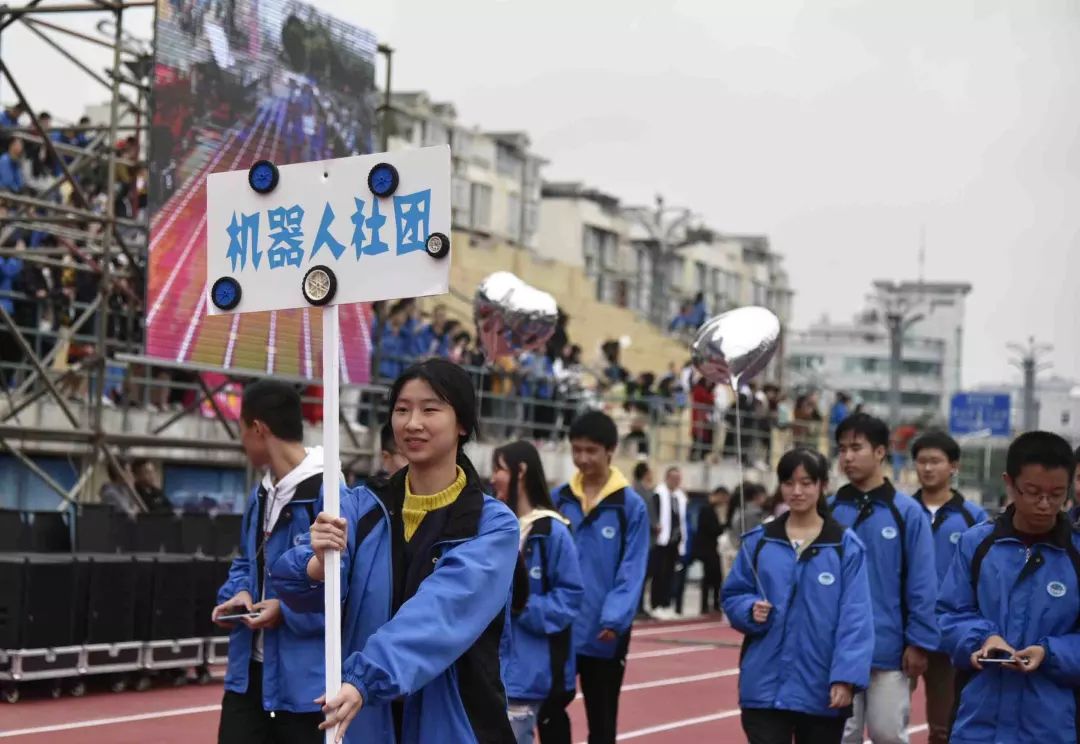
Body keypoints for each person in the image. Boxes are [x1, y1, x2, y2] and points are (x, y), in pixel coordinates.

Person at [271, 359, 520, 743]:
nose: (412, 423)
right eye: (402, 409)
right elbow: (290, 583)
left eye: (430, 409)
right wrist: (317, 565)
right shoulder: (358, 505)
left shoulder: (491, 524)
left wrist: (364, 677)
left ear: (463, 424)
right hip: (370, 722)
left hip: (456, 724)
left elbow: (442, 612)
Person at [211, 380, 341, 744]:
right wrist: (238, 593)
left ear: (258, 428)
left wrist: (286, 610)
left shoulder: (329, 493)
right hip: (248, 674)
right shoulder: (262, 492)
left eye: (242, 430)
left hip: (304, 685)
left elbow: (343, 586)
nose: (241, 441)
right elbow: (245, 560)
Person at [938, 431, 1080, 744]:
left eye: (1057, 494)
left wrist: (1050, 652)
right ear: (1009, 482)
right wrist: (983, 638)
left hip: (1051, 725)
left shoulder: (1075, 553)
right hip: (978, 720)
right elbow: (951, 614)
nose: (1045, 504)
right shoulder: (977, 544)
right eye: (1032, 492)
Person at [724, 448, 873, 744]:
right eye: (789, 483)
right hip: (764, 688)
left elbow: (856, 618)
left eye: (806, 483)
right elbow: (733, 594)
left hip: (820, 689)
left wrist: (845, 678)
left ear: (822, 486)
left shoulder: (846, 547)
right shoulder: (758, 542)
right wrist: (748, 609)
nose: (797, 491)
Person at [829, 413, 938, 744]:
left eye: (856, 448)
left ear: (880, 452)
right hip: (835, 648)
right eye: (842, 448)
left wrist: (919, 641)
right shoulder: (828, 511)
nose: (847, 457)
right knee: (839, 736)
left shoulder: (906, 513)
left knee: (887, 734)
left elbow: (922, 583)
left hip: (888, 648)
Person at [551, 411, 649, 744]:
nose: (582, 458)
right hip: (561, 626)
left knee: (602, 720)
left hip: (604, 631)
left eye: (591, 451)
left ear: (610, 450)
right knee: (549, 711)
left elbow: (632, 568)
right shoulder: (559, 499)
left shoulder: (629, 507)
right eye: (576, 450)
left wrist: (615, 617)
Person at [492, 441, 584, 744]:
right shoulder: (494, 525)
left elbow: (569, 598)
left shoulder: (551, 532)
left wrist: (522, 607)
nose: (493, 477)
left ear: (521, 471)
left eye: (499, 469)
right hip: (489, 672)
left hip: (525, 672)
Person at [909, 430, 988, 744]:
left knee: (944, 727)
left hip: (949, 635)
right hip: (905, 634)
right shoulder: (902, 511)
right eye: (922, 461)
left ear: (953, 466)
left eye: (935, 461)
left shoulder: (973, 517)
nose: (927, 468)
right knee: (886, 725)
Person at [650, 467, 687, 620]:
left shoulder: (680, 497)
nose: (675, 481)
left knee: (671, 575)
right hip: (661, 541)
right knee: (659, 573)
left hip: (674, 541)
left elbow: (681, 519)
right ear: (666, 478)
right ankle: (656, 604)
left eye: (678, 478)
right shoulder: (659, 494)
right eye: (673, 478)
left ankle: (666, 604)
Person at [691, 486, 727, 616]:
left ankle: (715, 604)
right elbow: (711, 529)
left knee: (716, 577)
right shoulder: (706, 509)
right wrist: (722, 525)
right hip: (707, 549)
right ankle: (705, 605)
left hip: (714, 549)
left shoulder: (714, 509)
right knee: (708, 578)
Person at [632, 462, 658, 619]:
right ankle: (637, 607)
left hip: (646, 538)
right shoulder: (638, 491)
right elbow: (643, 513)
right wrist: (654, 525)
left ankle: (641, 605)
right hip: (643, 539)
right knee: (640, 574)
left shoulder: (643, 490)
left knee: (645, 575)